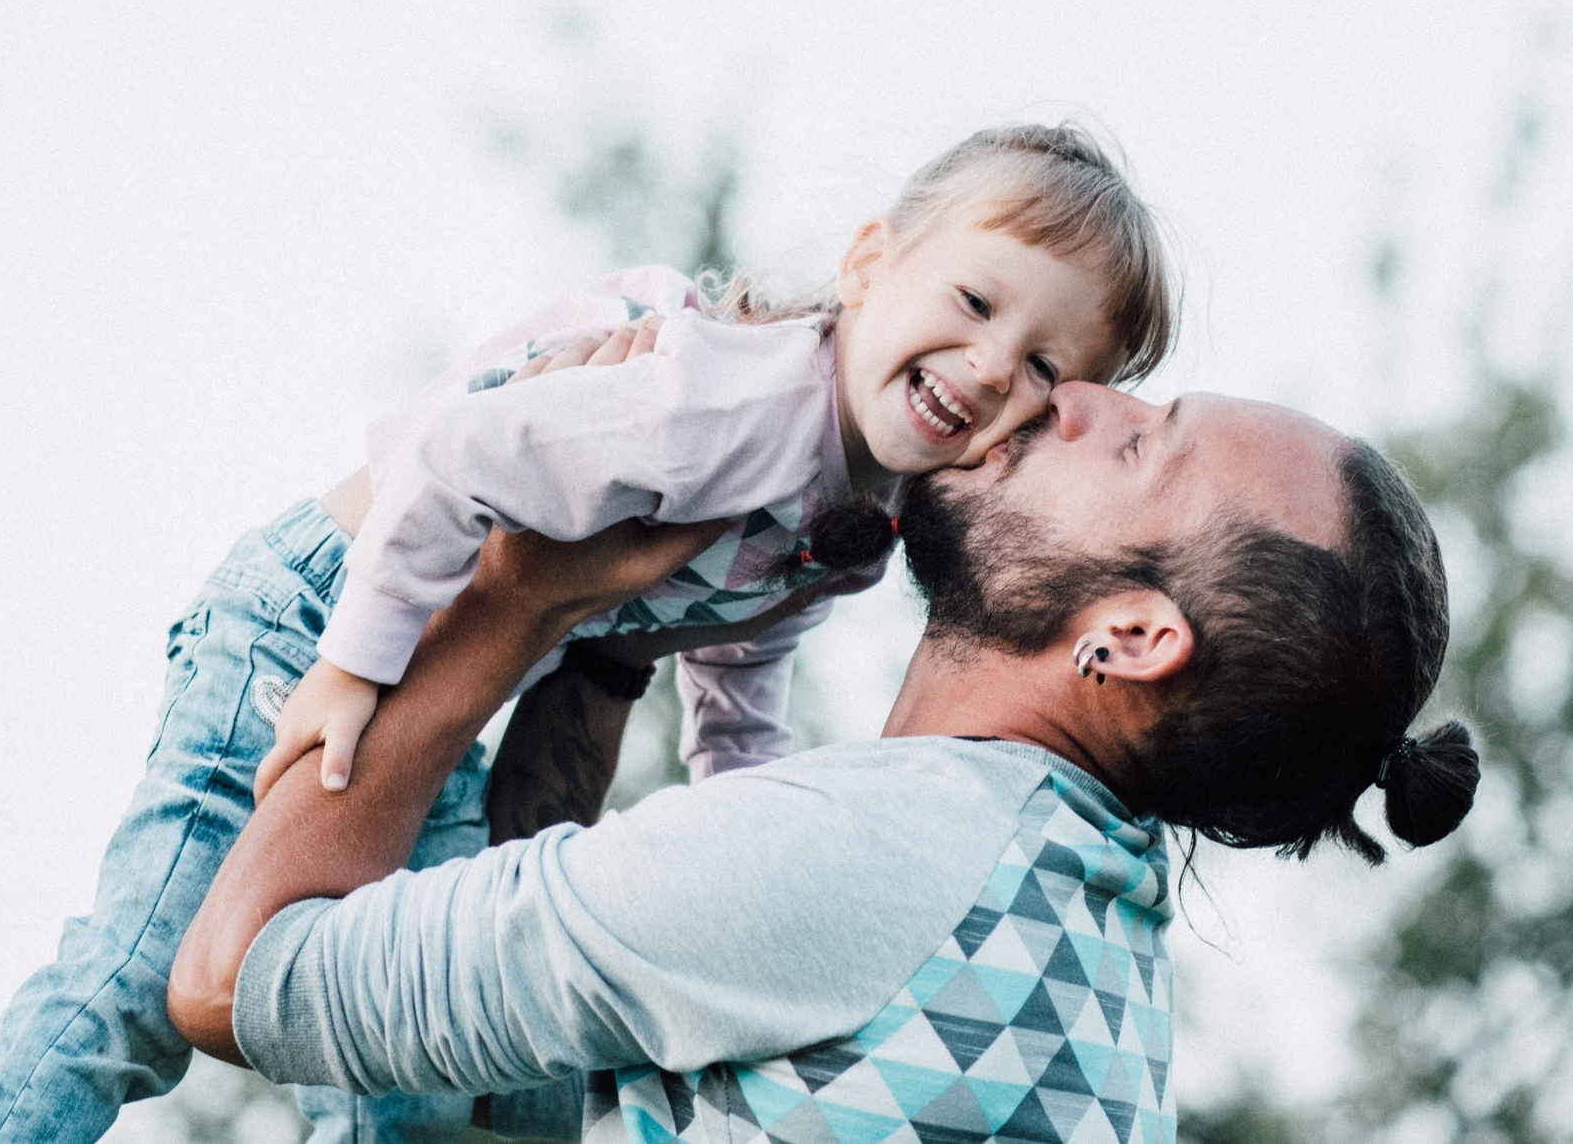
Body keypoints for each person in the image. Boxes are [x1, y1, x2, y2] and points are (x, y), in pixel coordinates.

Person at [0, 124, 1179, 1144]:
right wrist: (350, 663)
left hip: (453, 678)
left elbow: (740, 665)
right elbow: (452, 454)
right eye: (972, 301)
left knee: (402, 1085)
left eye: (1038, 367)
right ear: (868, 264)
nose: (986, 364)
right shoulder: (723, 397)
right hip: (317, 619)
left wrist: (750, 819)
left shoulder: (865, 514)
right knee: (136, 983)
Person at [167, 377, 1483, 1144]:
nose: (1071, 393)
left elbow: (238, 980)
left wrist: (505, 597)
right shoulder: (1076, 947)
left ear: (1133, 636)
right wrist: (612, 644)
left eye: (1138, 444)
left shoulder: (879, 856)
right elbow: (531, 1070)